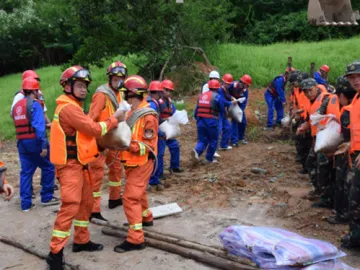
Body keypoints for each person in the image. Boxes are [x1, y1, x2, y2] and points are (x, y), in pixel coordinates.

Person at [46, 65, 125, 270]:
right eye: (79, 85)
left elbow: (83, 136)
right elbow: (93, 128)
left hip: (81, 164)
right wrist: (115, 119)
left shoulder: (74, 106)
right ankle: (54, 254)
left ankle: (81, 241)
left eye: (85, 86)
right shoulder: (68, 109)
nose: (83, 90)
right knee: (70, 206)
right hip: (70, 166)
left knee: (86, 203)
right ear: (68, 86)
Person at [114, 75, 158, 253]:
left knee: (130, 198)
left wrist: (125, 144)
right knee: (138, 193)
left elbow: (148, 146)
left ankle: (135, 239)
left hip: (141, 163)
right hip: (132, 163)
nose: (124, 98)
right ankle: (146, 218)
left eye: (126, 94)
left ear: (132, 95)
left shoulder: (148, 117)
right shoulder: (131, 112)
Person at [88, 61, 127, 225]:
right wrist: (97, 141)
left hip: (113, 138)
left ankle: (114, 198)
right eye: (116, 78)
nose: (118, 81)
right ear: (110, 77)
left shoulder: (119, 94)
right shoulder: (101, 94)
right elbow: (91, 119)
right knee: (96, 175)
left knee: (116, 167)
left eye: (121, 78)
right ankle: (93, 210)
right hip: (100, 139)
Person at [12, 77, 59, 212]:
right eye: (37, 90)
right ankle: (47, 197)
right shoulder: (34, 104)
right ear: (34, 91)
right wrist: (44, 145)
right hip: (34, 142)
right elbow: (39, 127)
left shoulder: (17, 106)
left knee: (26, 172)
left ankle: (26, 204)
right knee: (49, 167)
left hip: (21, 143)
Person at [296, 78, 340, 208]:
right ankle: (321, 192)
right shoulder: (312, 102)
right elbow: (313, 120)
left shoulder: (326, 99)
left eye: (310, 90)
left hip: (328, 142)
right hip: (318, 141)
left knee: (323, 170)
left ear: (316, 87)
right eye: (305, 92)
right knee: (311, 164)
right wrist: (306, 126)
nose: (308, 93)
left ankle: (327, 198)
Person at [327, 76, 356, 225]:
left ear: (342, 96)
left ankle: (343, 215)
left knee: (345, 184)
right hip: (352, 153)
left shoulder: (347, 112)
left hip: (349, 155)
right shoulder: (354, 106)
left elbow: (346, 137)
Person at [342, 60, 360, 248]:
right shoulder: (356, 99)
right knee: (355, 199)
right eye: (352, 78)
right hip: (356, 154)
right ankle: (356, 237)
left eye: (358, 76)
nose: (355, 81)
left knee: (355, 199)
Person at [192, 79, 225, 163]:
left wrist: (197, 119)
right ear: (217, 88)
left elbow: (196, 110)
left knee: (202, 140)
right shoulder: (218, 96)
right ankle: (209, 158)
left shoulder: (201, 96)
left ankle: (196, 152)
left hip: (200, 121)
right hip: (211, 121)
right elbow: (221, 109)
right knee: (213, 140)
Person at [159, 79, 184, 174]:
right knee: (160, 152)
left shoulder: (170, 102)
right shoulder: (157, 102)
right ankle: (159, 173)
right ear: (161, 90)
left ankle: (174, 167)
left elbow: (173, 112)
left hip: (169, 128)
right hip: (160, 129)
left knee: (175, 146)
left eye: (170, 91)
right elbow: (154, 116)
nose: (168, 93)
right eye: (166, 90)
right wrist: (164, 120)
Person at [291, 72, 312, 174]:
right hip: (303, 118)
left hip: (308, 119)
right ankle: (304, 163)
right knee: (300, 140)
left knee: (307, 143)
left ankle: (307, 166)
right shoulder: (297, 91)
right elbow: (296, 104)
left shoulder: (310, 92)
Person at [147, 81, 165, 191]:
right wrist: (161, 133)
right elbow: (152, 123)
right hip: (153, 135)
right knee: (156, 157)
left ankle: (154, 178)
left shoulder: (149, 102)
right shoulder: (153, 104)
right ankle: (153, 180)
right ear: (158, 92)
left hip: (149, 134)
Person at [229, 74, 252, 146]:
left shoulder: (245, 91)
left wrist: (240, 111)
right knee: (235, 122)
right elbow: (225, 92)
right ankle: (234, 140)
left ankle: (241, 138)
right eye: (247, 85)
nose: (247, 86)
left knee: (243, 122)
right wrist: (231, 98)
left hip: (238, 106)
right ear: (243, 83)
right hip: (230, 103)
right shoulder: (233, 85)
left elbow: (244, 101)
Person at [217, 74, 235, 151]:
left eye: (228, 84)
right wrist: (230, 103)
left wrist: (231, 98)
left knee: (227, 127)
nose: (227, 85)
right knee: (218, 129)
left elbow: (227, 95)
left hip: (222, 112)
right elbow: (222, 101)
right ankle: (213, 149)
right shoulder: (220, 90)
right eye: (226, 83)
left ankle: (224, 145)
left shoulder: (225, 90)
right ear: (223, 82)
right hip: (218, 112)